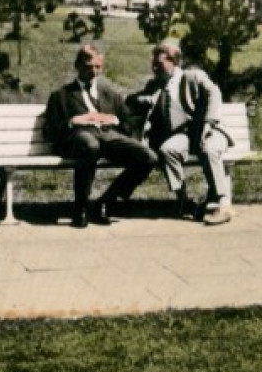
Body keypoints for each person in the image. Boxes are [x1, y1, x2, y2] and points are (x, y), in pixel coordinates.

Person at [43, 45, 162, 229]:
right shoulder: (62, 96)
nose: (93, 71)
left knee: (149, 157)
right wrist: (74, 120)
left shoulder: (110, 95)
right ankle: (80, 207)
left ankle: (106, 202)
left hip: (108, 137)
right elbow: (50, 131)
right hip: (79, 139)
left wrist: (114, 119)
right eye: (88, 66)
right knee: (90, 144)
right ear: (77, 66)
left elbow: (128, 124)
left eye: (98, 67)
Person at [129, 39, 236, 226]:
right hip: (187, 135)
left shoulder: (193, 76)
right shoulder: (155, 84)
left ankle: (223, 205)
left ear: (174, 62)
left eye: (159, 64)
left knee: (209, 149)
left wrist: (208, 124)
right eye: (153, 63)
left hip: (212, 130)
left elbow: (214, 93)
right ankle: (183, 199)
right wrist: (142, 100)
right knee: (168, 150)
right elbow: (134, 100)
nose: (154, 68)